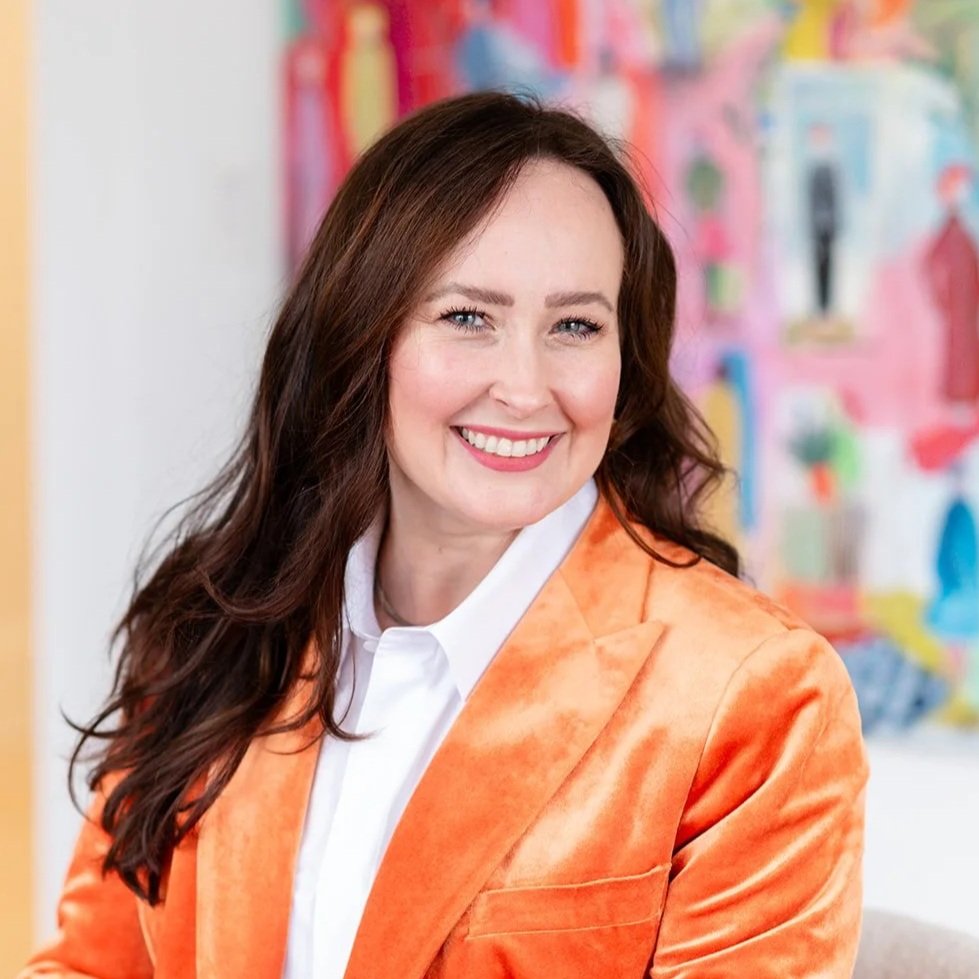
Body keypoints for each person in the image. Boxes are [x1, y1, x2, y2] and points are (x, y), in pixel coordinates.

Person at [22, 91, 867, 978]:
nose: (523, 385)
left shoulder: (754, 696)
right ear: (365, 334)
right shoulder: (225, 623)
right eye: (468, 317)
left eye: (575, 326)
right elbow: (91, 963)